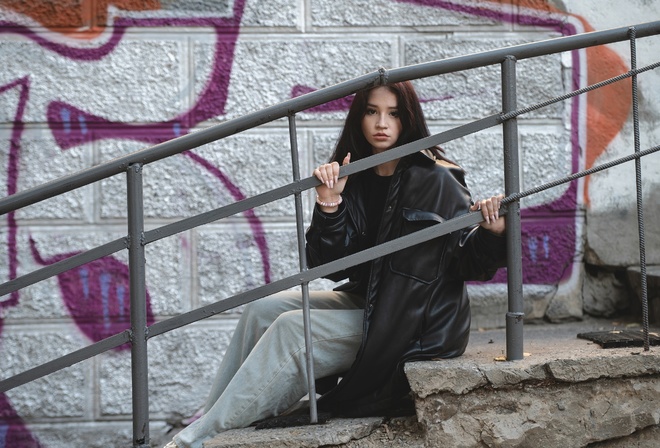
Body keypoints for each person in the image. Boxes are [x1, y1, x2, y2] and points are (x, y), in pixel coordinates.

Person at [164, 80, 506, 448]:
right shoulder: (353, 175)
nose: (382, 123)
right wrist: (330, 204)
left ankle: (195, 441)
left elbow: (468, 263)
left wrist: (494, 232)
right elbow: (331, 266)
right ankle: (212, 418)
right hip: (370, 302)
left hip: (417, 322)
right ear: (359, 118)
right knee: (263, 310)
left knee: (293, 330)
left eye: (393, 113)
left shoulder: (437, 177)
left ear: (409, 120)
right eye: (372, 111)